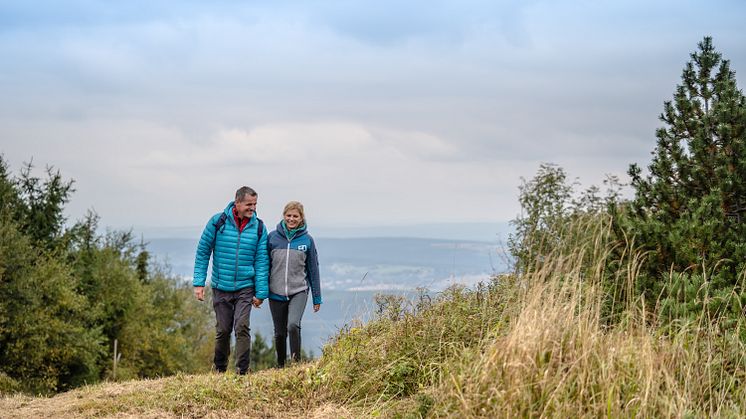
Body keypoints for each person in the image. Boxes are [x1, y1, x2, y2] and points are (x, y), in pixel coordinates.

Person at [193, 186, 269, 375]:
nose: (252, 208)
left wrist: (261, 292)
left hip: (245, 287)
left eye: (255, 204)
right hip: (221, 286)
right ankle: (219, 370)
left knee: (242, 326)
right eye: (248, 204)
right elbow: (203, 252)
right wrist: (199, 283)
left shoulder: (259, 227)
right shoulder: (218, 222)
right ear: (237, 203)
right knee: (223, 330)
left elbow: (261, 261)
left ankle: (242, 372)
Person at [267, 201, 322, 367]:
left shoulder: (307, 240)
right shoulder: (272, 238)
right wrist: (260, 291)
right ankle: (281, 366)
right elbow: (264, 266)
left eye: (295, 216)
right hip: (275, 291)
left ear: (301, 218)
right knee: (279, 333)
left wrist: (317, 297)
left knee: (292, 325)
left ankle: (296, 364)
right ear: (284, 216)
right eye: (288, 215)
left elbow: (313, 269)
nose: (291, 219)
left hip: (299, 290)